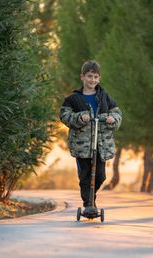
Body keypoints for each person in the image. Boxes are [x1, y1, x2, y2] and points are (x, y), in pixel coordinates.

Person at [59, 60, 122, 210]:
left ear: (99, 79)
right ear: (82, 77)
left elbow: (118, 114)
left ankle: (90, 199)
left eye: (95, 77)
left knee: (100, 176)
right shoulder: (73, 99)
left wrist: (113, 119)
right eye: (89, 76)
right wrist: (79, 118)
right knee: (85, 176)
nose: (92, 80)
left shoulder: (105, 97)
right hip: (82, 145)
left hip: (101, 144)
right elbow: (64, 115)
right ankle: (88, 204)